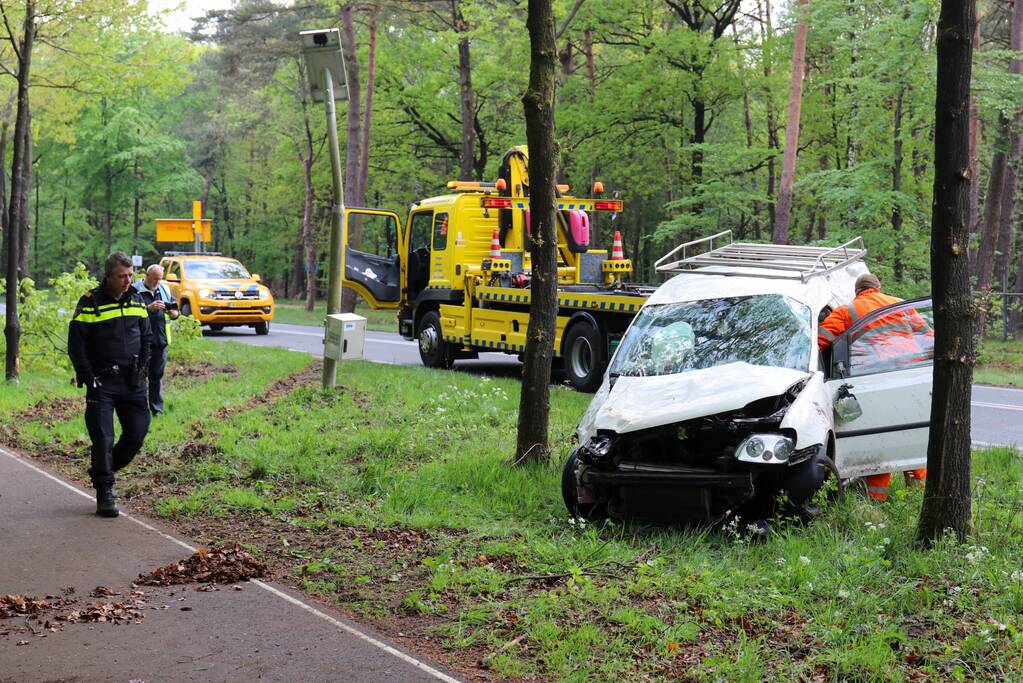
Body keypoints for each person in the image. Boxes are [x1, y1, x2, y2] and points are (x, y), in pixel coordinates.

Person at [817, 272, 927, 501]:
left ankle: (876, 500)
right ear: (879, 287)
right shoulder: (900, 304)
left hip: (875, 378)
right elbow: (928, 334)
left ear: (857, 292)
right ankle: (919, 494)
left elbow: (819, 341)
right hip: (911, 377)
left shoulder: (847, 311)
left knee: (881, 438)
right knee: (907, 434)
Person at [67, 251, 152, 518]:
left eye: (130, 276)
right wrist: (87, 375)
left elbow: (147, 338)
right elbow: (76, 345)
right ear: (108, 277)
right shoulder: (90, 302)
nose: (128, 281)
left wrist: (143, 368)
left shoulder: (138, 300)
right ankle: (105, 490)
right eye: (122, 276)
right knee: (103, 438)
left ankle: (101, 469)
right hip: (102, 382)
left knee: (137, 435)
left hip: (132, 382)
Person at [136, 264, 179, 416]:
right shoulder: (135, 290)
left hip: (160, 342)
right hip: (139, 344)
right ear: (147, 276)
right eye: (154, 279)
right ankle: (139, 410)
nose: (157, 282)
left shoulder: (165, 290)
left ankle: (157, 410)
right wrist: (148, 308)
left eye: (159, 279)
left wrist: (170, 311)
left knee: (156, 377)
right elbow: (129, 314)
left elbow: (176, 313)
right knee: (139, 378)